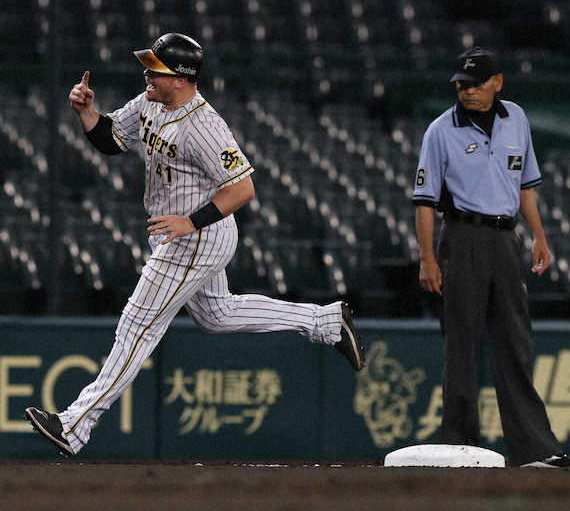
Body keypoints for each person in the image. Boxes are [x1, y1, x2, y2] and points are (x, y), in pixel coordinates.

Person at [25, 32, 365, 457]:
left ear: (182, 78)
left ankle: (76, 424)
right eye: (147, 66)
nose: (147, 73)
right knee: (217, 315)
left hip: (198, 236)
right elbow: (112, 140)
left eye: (156, 69)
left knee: (137, 323)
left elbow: (242, 189)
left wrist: (191, 220)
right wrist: (87, 112)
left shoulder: (205, 125)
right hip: (181, 234)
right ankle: (325, 322)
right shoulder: (151, 100)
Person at [413, 47, 570, 468]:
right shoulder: (439, 130)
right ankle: (461, 446)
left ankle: (536, 449)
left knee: (516, 343)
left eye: (475, 84)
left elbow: (525, 185)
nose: (466, 92)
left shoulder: (516, 118)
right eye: (461, 85)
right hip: (462, 235)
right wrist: (427, 258)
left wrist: (539, 236)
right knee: (462, 344)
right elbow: (425, 202)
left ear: (497, 82)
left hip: (506, 239)